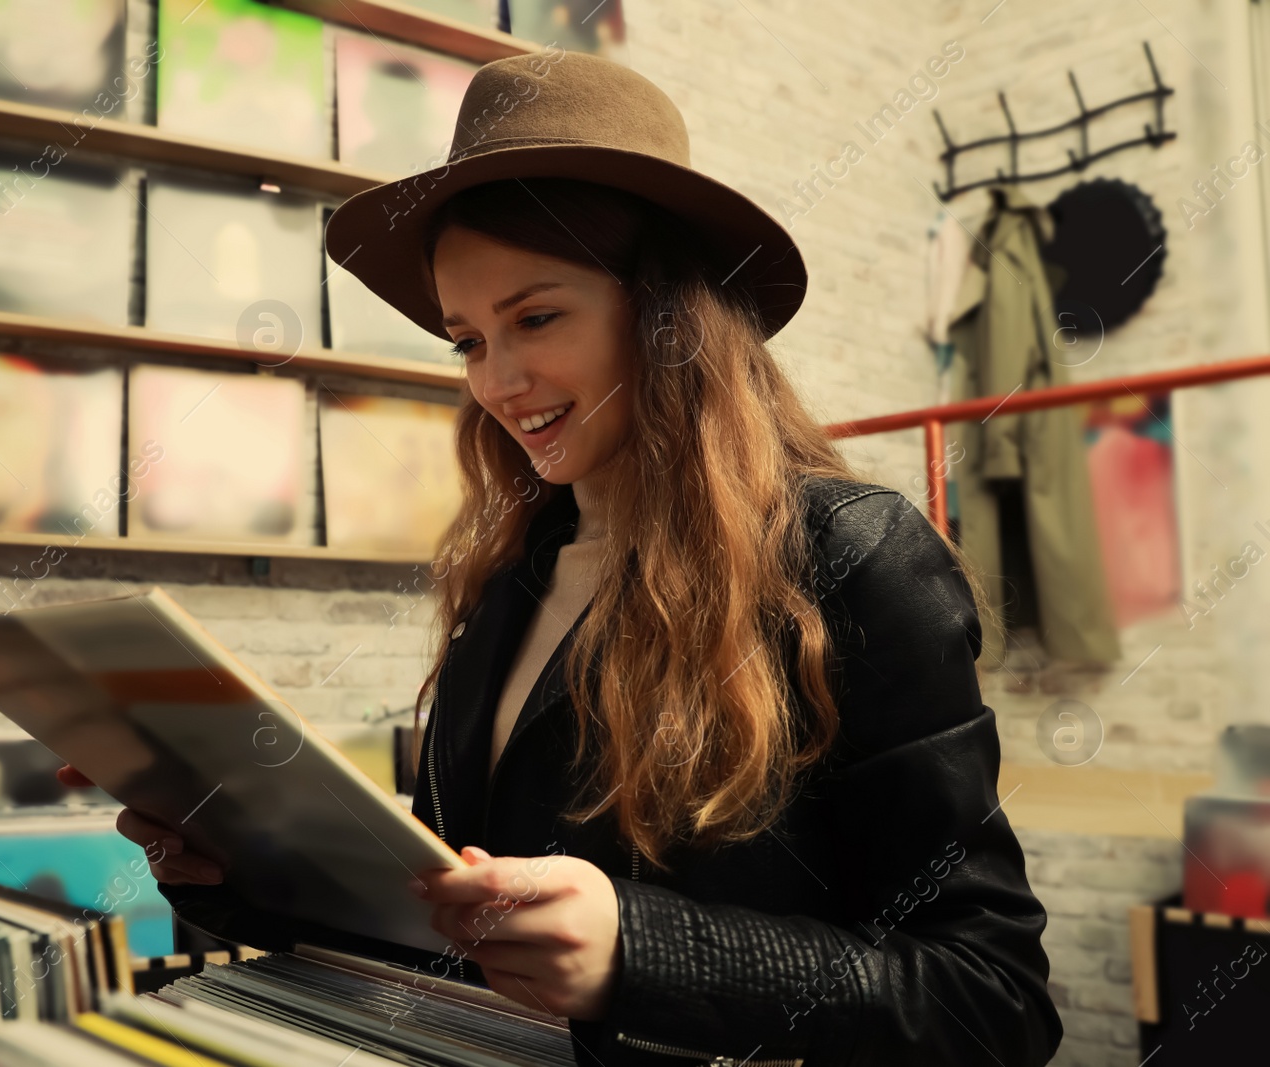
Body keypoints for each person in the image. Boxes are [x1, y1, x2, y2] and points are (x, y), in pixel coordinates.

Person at [61, 50, 1062, 1067]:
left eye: (536, 317)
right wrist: (242, 865)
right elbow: (452, 925)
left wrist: (641, 950)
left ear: (667, 316)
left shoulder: (851, 555)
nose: (497, 380)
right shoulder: (508, 580)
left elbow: (989, 999)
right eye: (466, 339)